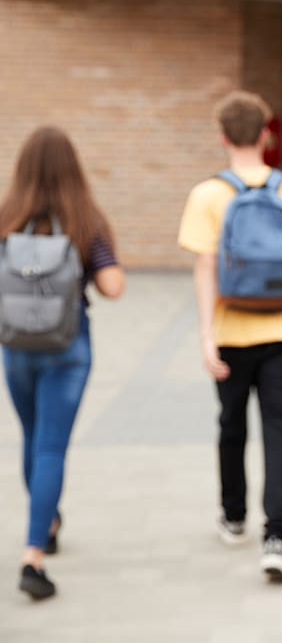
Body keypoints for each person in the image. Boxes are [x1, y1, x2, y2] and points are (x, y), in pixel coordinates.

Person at [178, 91, 282, 583]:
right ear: (267, 135)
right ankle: (275, 537)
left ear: (222, 136)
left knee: (231, 425)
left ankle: (233, 514)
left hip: (229, 334)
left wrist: (206, 337)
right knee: (279, 429)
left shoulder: (208, 196)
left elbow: (205, 269)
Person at [0, 127, 125, 601]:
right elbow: (113, 287)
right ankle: (34, 552)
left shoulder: (6, 216)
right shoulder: (85, 219)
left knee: (32, 438)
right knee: (51, 446)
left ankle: (47, 520)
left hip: (14, 347)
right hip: (67, 348)